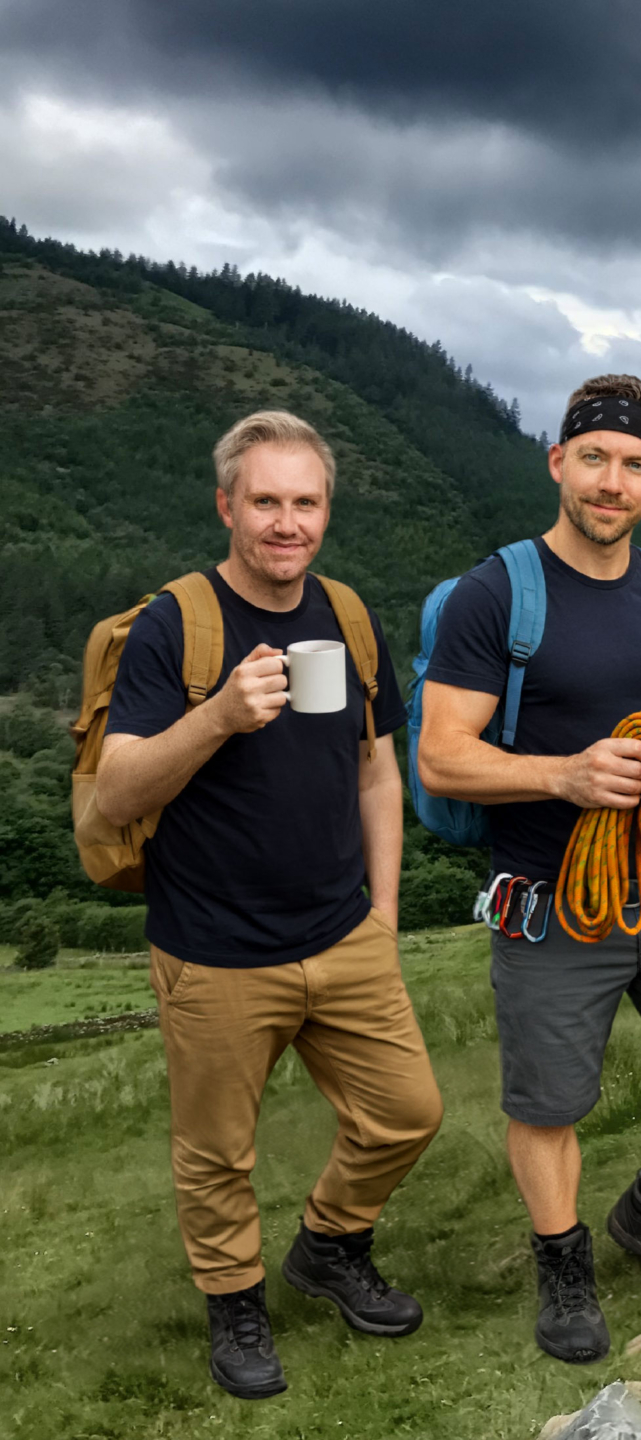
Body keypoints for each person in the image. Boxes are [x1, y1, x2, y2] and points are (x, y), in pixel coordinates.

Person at [417, 375, 641, 1364]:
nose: (610, 482)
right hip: (553, 903)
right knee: (548, 1109)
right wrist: (562, 775)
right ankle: (563, 1265)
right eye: (593, 459)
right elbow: (441, 755)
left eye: (633, 465)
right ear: (558, 462)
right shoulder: (499, 594)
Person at [95, 410, 440, 1400]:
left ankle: (329, 1245)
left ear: (326, 510)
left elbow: (377, 770)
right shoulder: (175, 625)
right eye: (265, 502)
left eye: (305, 502)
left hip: (343, 932)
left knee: (407, 1113)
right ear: (226, 507)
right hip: (213, 948)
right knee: (218, 1155)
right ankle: (235, 1306)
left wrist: (383, 911)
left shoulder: (348, 613)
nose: (287, 523)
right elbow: (115, 793)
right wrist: (217, 715)